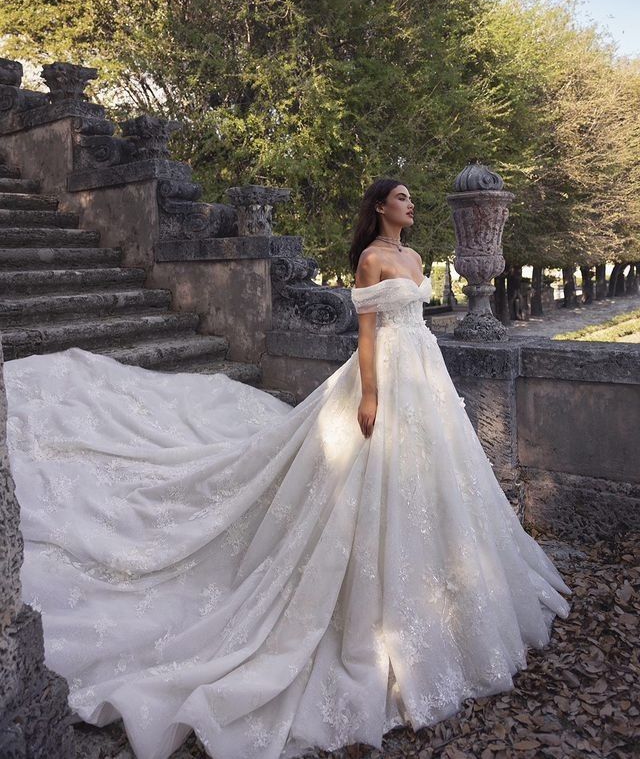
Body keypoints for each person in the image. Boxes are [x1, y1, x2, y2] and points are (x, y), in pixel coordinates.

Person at [5, 178, 571, 759]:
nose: (409, 204)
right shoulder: (373, 259)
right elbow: (368, 336)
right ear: (379, 207)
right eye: (400, 197)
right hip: (388, 376)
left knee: (436, 479)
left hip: (426, 374)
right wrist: (369, 397)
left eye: (408, 199)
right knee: (367, 477)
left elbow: (418, 324)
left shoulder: (416, 257)